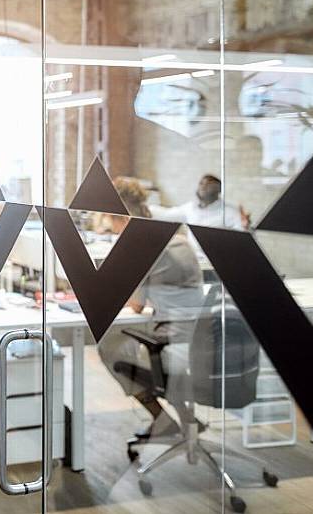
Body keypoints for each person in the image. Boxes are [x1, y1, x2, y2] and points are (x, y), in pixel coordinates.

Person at [97, 178, 206, 438]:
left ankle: (162, 421)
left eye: (111, 223)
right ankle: (188, 420)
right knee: (141, 349)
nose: (112, 231)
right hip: (199, 340)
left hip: (171, 339)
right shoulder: (177, 238)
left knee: (109, 347)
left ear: (121, 218)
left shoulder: (142, 245)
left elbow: (136, 304)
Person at [152, 174, 250, 230]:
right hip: (193, 260)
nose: (203, 187)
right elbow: (165, 214)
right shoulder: (190, 208)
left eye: (209, 184)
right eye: (201, 183)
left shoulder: (230, 212)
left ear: (219, 190)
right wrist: (141, 206)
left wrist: (246, 228)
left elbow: (242, 235)